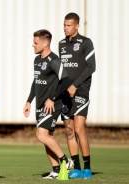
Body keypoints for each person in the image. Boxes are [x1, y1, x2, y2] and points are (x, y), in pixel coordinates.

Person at [23, 29, 73, 179]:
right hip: (39, 104)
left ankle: (66, 161)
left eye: (35, 42)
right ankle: (56, 170)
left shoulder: (54, 60)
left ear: (45, 44)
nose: (33, 45)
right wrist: (28, 101)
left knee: (41, 134)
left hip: (52, 104)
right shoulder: (37, 60)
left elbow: (66, 80)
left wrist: (52, 98)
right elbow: (36, 81)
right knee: (47, 137)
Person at [59, 12, 96, 179]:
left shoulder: (86, 42)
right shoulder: (61, 44)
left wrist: (75, 85)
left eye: (69, 25)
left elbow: (91, 67)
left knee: (80, 128)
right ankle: (77, 168)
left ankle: (87, 168)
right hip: (65, 93)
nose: (66, 28)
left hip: (81, 91)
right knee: (69, 130)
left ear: (77, 26)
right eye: (64, 25)